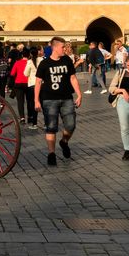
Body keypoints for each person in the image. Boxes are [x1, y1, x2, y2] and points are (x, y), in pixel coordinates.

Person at [34, 35, 82, 167]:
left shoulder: (66, 60)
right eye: (63, 47)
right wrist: (36, 100)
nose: (65, 49)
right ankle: (51, 154)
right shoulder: (44, 64)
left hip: (66, 97)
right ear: (55, 48)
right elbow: (38, 82)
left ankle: (64, 142)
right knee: (51, 127)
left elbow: (72, 78)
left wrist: (79, 94)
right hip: (49, 99)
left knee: (71, 125)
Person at [9, 46, 29, 123]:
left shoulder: (17, 62)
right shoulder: (30, 62)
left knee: (20, 101)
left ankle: (22, 118)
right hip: (28, 84)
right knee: (29, 101)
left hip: (18, 83)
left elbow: (12, 73)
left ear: (22, 55)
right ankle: (30, 116)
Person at [23, 47, 41, 130]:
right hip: (41, 84)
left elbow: (26, 73)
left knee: (33, 104)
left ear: (30, 54)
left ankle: (34, 123)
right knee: (43, 104)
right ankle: (46, 123)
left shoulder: (29, 62)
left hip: (32, 85)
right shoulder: (41, 60)